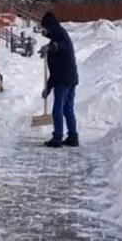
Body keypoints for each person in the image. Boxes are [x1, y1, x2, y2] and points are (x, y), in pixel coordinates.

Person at [39, 12, 79, 148]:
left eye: (44, 28)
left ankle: (57, 138)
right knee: (68, 108)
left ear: (49, 26)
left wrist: (49, 48)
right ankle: (73, 137)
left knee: (58, 109)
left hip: (63, 79)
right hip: (69, 77)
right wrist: (48, 87)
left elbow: (60, 45)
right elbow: (54, 69)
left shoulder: (60, 35)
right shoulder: (58, 34)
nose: (44, 31)